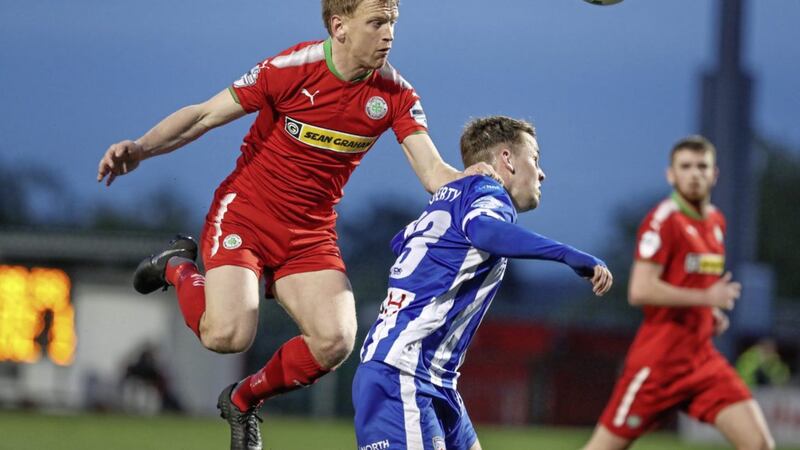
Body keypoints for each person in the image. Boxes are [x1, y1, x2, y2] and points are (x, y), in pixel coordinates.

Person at [96, 1, 497, 449]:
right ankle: (176, 266)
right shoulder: (291, 68)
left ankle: (243, 400)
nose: (389, 35)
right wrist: (142, 148)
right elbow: (205, 115)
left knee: (336, 340)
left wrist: (467, 179)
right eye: (377, 23)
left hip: (309, 234)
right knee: (226, 335)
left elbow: (432, 173)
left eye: (393, 24)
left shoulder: (396, 95)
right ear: (339, 26)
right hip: (245, 216)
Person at [352, 116, 613, 450]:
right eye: (534, 159)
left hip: (433, 379)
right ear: (506, 159)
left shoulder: (452, 195)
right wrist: (567, 255)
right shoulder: (487, 192)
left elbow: (401, 241)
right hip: (403, 374)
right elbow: (483, 230)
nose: (541, 172)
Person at [583, 136, 775, 450]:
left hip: (702, 360)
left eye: (702, 166)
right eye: (685, 166)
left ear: (715, 174)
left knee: (759, 444)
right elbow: (640, 289)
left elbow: (690, 282)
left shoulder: (715, 221)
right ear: (671, 175)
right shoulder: (663, 221)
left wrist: (708, 314)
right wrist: (706, 300)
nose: (695, 173)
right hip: (658, 364)